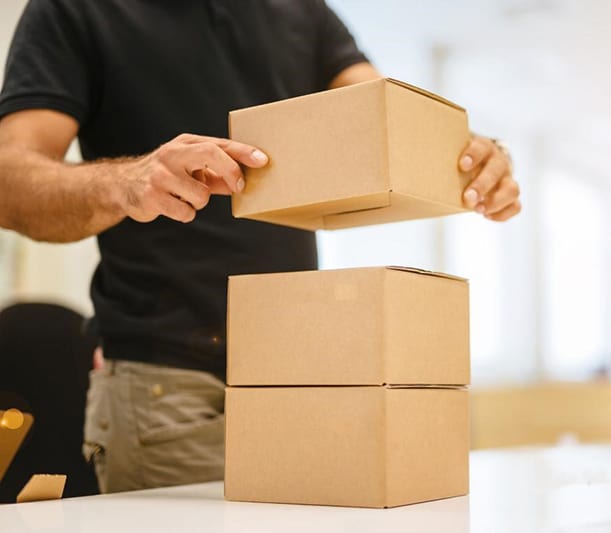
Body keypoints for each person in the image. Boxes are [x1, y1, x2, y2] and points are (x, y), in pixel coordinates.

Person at [0, 0, 521, 493]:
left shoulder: (301, 10)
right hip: (171, 392)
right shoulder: (75, 8)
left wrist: (469, 155)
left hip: (304, 380)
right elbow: (10, 180)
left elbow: (383, 121)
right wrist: (128, 181)